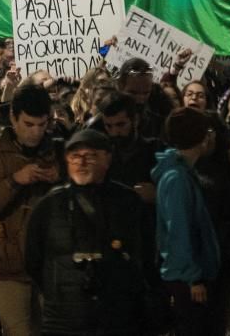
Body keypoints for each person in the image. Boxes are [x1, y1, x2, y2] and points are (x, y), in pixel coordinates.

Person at [24, 128, 161, 335]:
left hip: (118, 316)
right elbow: (33, 259)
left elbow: (146, 254)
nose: (82, 162)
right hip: (63, 319)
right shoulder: (49, 205)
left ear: (107, 159)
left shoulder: (128, 201)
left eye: (91, 156)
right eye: (75, 156)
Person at [0, 83, 61, 336]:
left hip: (50, 266)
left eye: (42, 125)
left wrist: (61, 182)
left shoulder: (59, 152)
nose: (36, 133)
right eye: (29, 125)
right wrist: (14, 181)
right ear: (13, 117)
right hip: (7, 267)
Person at [151, 107, 221, 336]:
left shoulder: (181, 173)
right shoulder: (177, 179)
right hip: (186, 279)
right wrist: (193, 278)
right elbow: (178, 230)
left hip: (187, 275)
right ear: (200, 137)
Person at [94, 90, 161, 204]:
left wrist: (158, 195)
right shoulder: (103, 156)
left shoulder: (156, 151)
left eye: (121, 124)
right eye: (109, 126)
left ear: (135, 120)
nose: (115, 132)